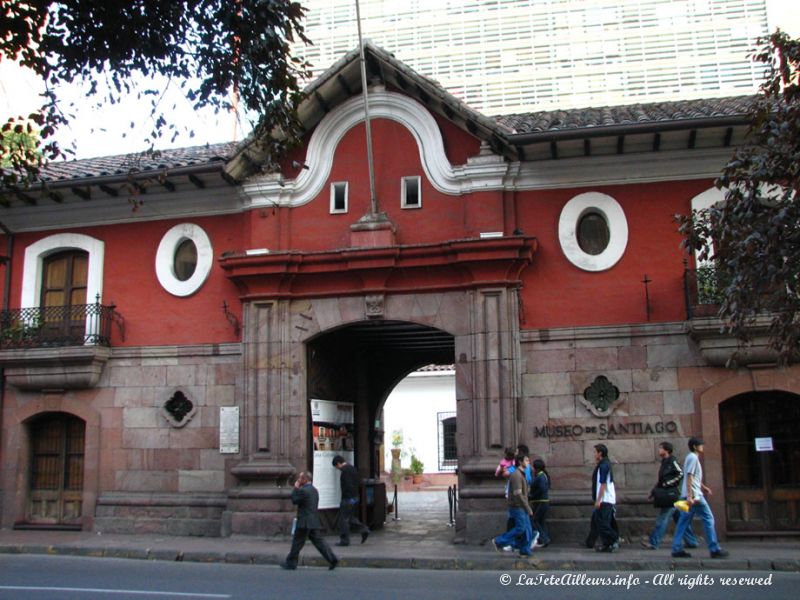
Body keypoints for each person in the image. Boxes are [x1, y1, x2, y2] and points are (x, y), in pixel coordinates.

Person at [671, 437, 729, 559]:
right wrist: (691, 496)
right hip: (695, 497)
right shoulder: (693, 457)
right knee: (708, 519)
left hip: (689, 494)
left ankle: (676, 548)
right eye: (700, 445)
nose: (702, 446)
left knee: (683, 522)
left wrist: (703, 487)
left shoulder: (690, 457)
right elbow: (689, 476)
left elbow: (693, 477)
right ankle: (714, 548)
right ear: (694, 446)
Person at [641, 441, 698, 550]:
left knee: (662, 519)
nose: (658, 450)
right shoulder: (664, 462)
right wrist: (653, 491)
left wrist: (669, 483)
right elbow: (661, 480)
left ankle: (654, 542)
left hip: (672, 496)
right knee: (680, 518)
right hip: (670, 495)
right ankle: (691, 541)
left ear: (666, 450)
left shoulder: (672, 461)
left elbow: (680, 474)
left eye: (660, 448)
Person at [280, 471, 338, 570]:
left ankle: (291, 562)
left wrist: (295, 488)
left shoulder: (303, 491)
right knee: (319, 542)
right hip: (313, 520)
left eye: (300, 478)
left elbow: (294, 500)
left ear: (305, 480)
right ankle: (332, 559)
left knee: (297, 542)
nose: (298, 480)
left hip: (304, 521)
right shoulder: (314, 490)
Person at [491, 453, 538, 557]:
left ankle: (524, 549)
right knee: (521, 528)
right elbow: (518, 494)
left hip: (522, 506)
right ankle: (499, 541)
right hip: (518, 506)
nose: (528, 462)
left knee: (528, 528)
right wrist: (527, 507)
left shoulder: (522, 474)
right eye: (526, 460)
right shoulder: (517, 475)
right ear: (520, 462)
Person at [584, 444, 619, 552]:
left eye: (595, 452)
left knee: (602, 523)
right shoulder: (604, 464)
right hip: (605, 499)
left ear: (600, 453)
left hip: (605, 499)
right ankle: (604, 544)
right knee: (597, 521)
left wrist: (598, 500)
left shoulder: (603, 466)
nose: (594, 454)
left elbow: (603, 484)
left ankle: (613, 539)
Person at [331, 455, 369, 546]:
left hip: (348, 499)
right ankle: (364, 530)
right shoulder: (352, 469)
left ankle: (344, 540)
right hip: (355, 497)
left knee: (343, 519)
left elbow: (348, 486)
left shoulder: (345, 471)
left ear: (339, 463)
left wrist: (347, 498)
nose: (337, 469)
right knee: (351, 518)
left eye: (337, 467)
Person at [529, 458, 551, 547]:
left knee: (534, 520)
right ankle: (544, 540)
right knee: (541, 521)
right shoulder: (543, 476)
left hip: (540, 501)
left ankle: (544, 538)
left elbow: (542, 489)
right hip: (542, 501)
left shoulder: (540, 476)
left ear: (537, 468)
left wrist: (532, 495)